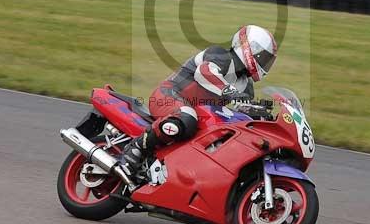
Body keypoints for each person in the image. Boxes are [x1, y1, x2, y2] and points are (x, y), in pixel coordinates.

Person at [119, 25, 278, 176]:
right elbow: (204, 73)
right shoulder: (220, 55)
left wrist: (263, 117)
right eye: (263, 57)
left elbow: (240, 111)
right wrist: (231, 92)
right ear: (250, 48)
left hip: (198, 113)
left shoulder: (246, 86)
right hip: (169, 97)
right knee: (187, 117)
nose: (265, 63)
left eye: (268, 60)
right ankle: (136, 148)